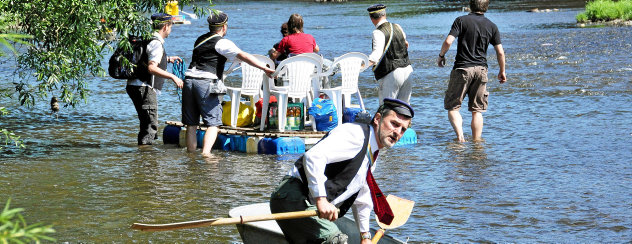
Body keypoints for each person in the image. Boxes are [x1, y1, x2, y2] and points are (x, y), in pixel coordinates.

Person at [270, 98, 414, 244]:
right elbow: (313, 157)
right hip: (291, 197)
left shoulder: (371, 154)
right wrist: (322, 200)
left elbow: (362, 199)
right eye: (394, 124)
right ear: (377, 119)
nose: (397, 132)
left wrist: (365, 236)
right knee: (337, 240)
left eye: (403, 129)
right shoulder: (355, 135)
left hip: (309, 206)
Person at [182, 11, 275, 157]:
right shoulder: (222, 42)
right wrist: (264, 68)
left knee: (191, 124)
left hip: (188, 80)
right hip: (205, 82)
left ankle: (191, 157)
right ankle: (206, 156)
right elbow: (243, 56)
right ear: (224, 27)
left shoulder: (200, 39)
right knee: (213, 123)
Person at [437, 0, 506, 142]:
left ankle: (460, 138)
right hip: (481, 70)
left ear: (471, 5)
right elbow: (500, 52)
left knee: (453, 107)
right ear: (486, 7)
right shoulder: (492, 26)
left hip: (462, 68)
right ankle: (477, 143)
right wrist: (502, 71)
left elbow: (448, 41)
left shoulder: (461, 21)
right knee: (477, 110)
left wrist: (441, 56)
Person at [126, 13, 183, 145]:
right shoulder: (156, 43)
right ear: (165, 27)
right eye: (171, 27)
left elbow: (145, 59)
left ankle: (143, 156)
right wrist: (173, 76)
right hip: (144, 87)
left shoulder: (147, 38)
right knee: (150, 127)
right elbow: (151, 68)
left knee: (146, 124)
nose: (170, 30)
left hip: (134, 85)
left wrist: (167, 59)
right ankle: (147, 160)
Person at [367, 4, 413, 105]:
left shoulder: (377, 32)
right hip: (407, 69)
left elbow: (376, 55)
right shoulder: (397, 26)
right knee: (404, 109)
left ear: (371, 18)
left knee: (386, 108)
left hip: (392, 73)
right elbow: (406, 44)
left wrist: (360, 66)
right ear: (385, 14)